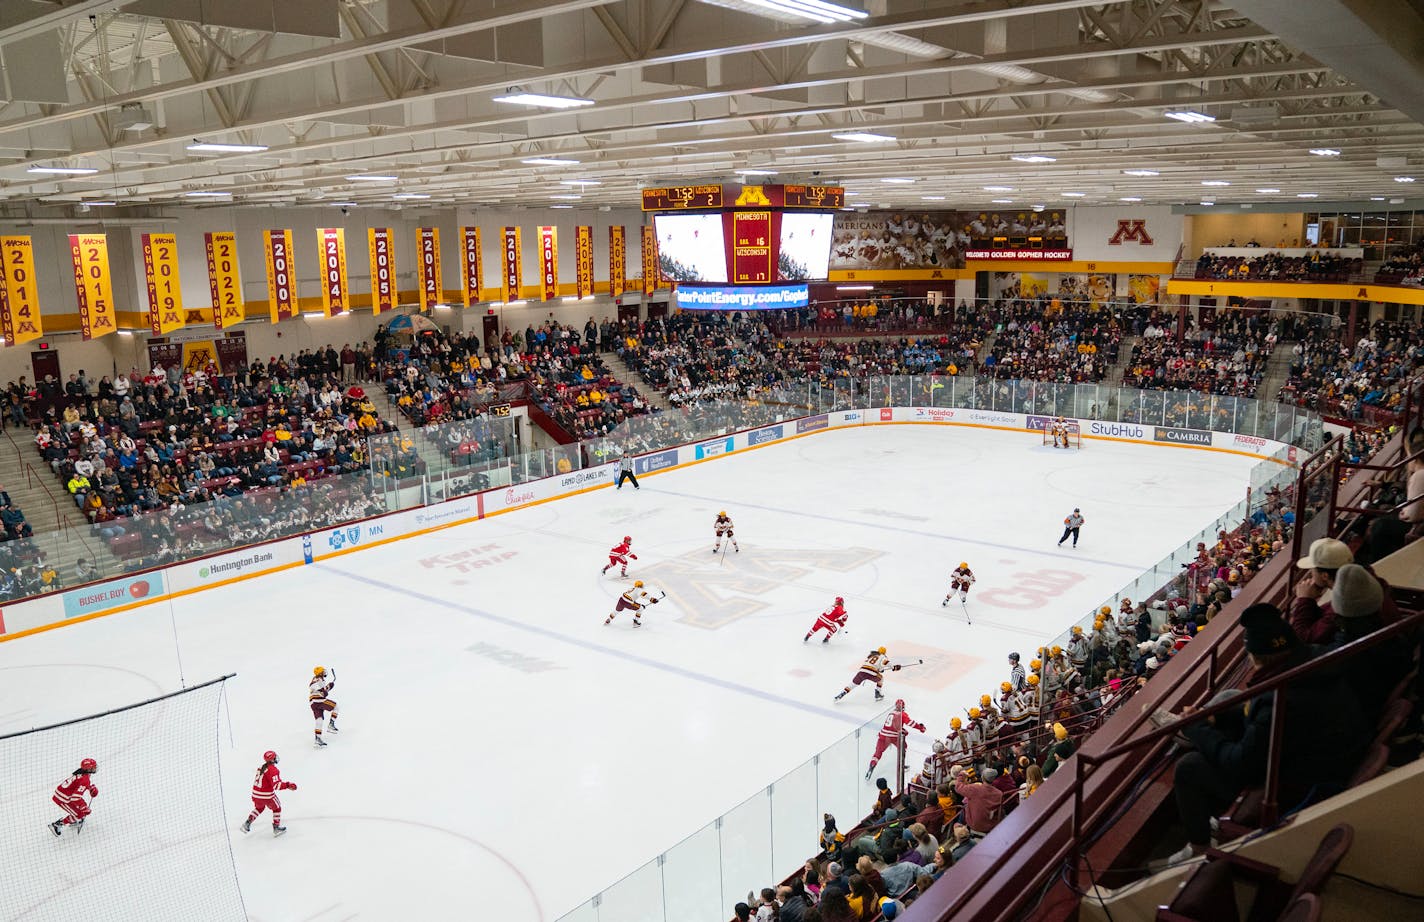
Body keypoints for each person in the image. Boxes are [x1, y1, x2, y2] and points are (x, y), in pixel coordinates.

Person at [1166, 604, 1364, 864]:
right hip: (1327, 754)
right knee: (1230, 706)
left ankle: (1200, 848)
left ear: (1254, 657)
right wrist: (1217, 717)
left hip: (1302, 783)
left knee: (1189, 768)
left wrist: (1197, 727)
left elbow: (1241, 764)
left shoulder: (1279, 698)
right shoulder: (1315, 659)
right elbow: (1262, 720)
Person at [243, 750, 297, 836]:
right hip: (266, 796)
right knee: (277, 808)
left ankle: (247, 823)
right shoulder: (273, 770)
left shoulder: (261, 767)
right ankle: (276, 828)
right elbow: (277, 785)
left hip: (255, 794)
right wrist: (288, 785)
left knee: (259, 808)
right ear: (272, 759)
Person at [867, 699, 926, 778]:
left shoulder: (890, 713)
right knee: (903, 747)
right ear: (903, 707)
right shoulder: (903, 714)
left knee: (877, 753)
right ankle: (901, 766)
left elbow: (892, 725)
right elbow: (911, 723)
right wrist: (920, 727)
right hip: (894, 737)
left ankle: (871, 767)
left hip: (883, 735)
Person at [834, 646, 908, 702]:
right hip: (871, 673)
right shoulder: (882, 656)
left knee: (853, 684)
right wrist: (894, 667)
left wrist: (880, 669)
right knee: (881, 678)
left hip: (862, 671)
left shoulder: (871, 656)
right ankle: (878, 693)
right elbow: (886, 662)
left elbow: (876, 665)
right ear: (884, 653)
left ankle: (842, 693)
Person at [50, 757, 98, 836]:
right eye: (93, 767)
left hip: (65, 795)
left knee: (80, 811)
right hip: (62, 799)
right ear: (88, 769)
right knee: (78, 814)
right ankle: (57, 825)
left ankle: (75, 820)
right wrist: (84, 807)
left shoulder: (82, 772)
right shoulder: (85, 779)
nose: (95, 768)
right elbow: (75, 798)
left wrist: (90, 788)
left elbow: (77, 784)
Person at [309, 665, 338, 748]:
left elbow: (323, 690)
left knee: (319, 720)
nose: (324, 672)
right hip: (318, 700)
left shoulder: (319, 680)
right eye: (323, 671)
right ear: (320, 673)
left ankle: (317, 739)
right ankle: (331, 725)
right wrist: (323, 690)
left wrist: (329, 686)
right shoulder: (318, 679)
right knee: (336, 706)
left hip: (313, 703)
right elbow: (313, 686)